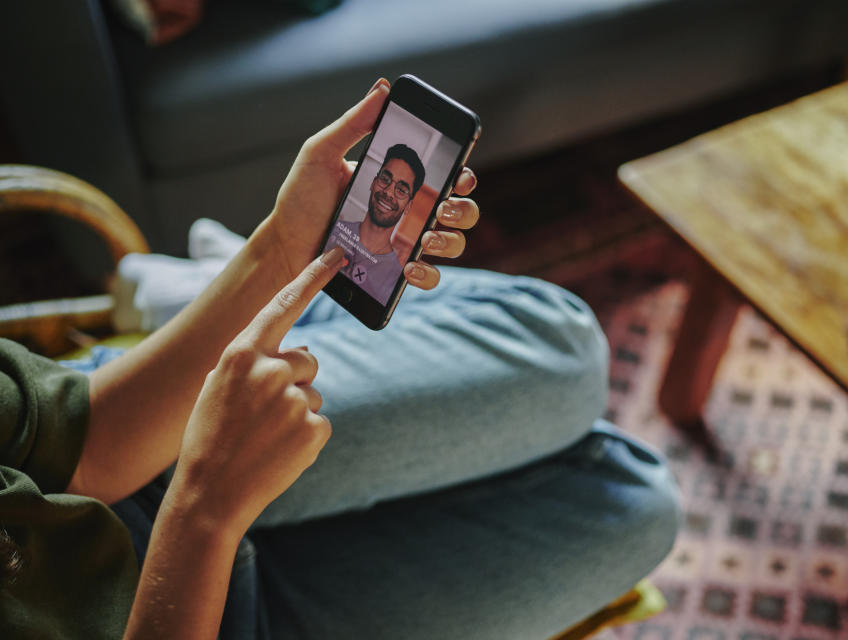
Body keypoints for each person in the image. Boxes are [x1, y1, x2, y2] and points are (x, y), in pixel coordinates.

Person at [0, 78, 680, 640]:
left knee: (564, 349)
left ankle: (254, 288)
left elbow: (82, 443)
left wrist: (280, 248)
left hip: (145, 464)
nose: (386, 193)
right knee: (636, 500)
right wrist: (205, 516)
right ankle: (229, 295)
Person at [324, 143, 425, 304]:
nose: (388, 192)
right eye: (385, 179)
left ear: (408, 206)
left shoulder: (395, 278)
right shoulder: (332, 232)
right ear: (373, 182)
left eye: (401, 189)